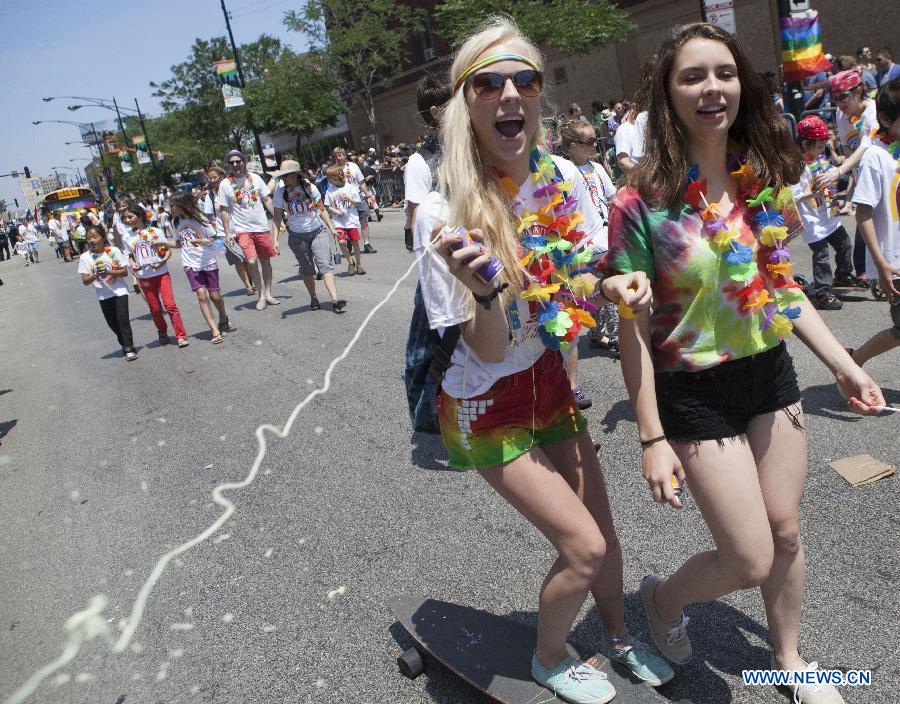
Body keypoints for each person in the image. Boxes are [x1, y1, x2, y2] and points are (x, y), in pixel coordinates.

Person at [604, 23, 884, 704]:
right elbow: (633, 330)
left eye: (724, 73)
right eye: (692, 76)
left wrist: (843, 362)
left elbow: (782, 287)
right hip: (695, 392)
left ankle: (789, 660)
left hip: (770, 374)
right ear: (667, 94)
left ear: (742, 84)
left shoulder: (758, 179)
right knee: (748, 556)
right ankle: (664, 604)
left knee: (784, 535)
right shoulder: (639, 202)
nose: (712, 89)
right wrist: (650, 438)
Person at [417, 17, 674, 704]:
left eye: (524, 79)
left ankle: (620, 637)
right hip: (484, 400)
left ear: (538, 95)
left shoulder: (560, 174)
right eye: (488, 82)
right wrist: (486, 291)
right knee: (583, 548)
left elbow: (586, 267)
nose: (510, 94)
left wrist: (616, 280)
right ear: (466, 103)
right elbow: (489, 346)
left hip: (552, 382)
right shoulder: (444, 211)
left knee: (605, 532)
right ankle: (550, 656)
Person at [557, 118, 619, 409]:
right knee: (591, 294)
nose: (595, 146)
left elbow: (611, 196)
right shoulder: (564, 171)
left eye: (596, 140)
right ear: (572, 146)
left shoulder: (596, 169)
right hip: (582, 243)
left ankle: (604, 331)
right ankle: (600, 331)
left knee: (605, 288)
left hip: (604, 235)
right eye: (590, 142)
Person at [849, 79, 900, 366]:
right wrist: (880, 264)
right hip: (894, 261)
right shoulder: (876, 157)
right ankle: (854, 363)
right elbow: (863, 212)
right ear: (885, 119)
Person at [816, 70, 879, 280]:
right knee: (864, 215)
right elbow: (848, 148)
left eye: (843, 96)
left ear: (858, 91)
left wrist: (839, 171)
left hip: (885, 173)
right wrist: (853, 175)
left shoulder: (873, 110)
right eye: (834, 98)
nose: (839, 102)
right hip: (863, 173)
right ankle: (862, 270)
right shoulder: (841, 115)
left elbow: (865, 146)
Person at [791, 115, 856, 310]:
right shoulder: (796, 166)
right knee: (821, 256)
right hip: (812, 219)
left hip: (829, 213)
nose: (822, 149)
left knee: (845, 244)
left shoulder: (819, 157)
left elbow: (828, 174)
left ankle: (844, 274)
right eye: (819, 146)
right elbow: (794, 196)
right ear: (804, 143)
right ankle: (821, 291)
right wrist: (814, 192)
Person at [271, 159, 347, 313]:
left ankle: (335, 300)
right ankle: (313, 298)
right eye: (282, 176)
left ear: (296, 175)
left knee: (325, 265)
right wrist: (275, 240)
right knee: (307, 270)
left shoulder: (309, 188)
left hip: (317, 231)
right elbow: (277, 218)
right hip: (297, 236)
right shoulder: (281, 192)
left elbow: (321, 209)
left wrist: (332, 228)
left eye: (286, 175)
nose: (284, 179)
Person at [167, 192, 237, 344]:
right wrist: (163, 244)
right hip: (190, 264)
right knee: (201, 295)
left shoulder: (200, 218)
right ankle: (214, 330)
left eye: (172, 205)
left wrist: (203, 241)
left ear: (182, 205)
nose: (170, 208)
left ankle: (223, 317)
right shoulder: (175, 221)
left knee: (215, 296)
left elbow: (214, 237)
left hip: (207, 260)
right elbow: (179, 243)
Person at [217, 150, 281, 311]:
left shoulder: (255, 178)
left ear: (244, 162)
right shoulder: (225, 184)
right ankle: (260, 294)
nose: (235, 165)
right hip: (242, 230)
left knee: (265, 261)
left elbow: (266, 199)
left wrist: (279, 220)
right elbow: (224, 210)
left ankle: (268, 294)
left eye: (238, 161)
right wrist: (227, 233)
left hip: (261, 227)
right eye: (231, 162)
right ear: (228, 165)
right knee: (251, 261)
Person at [120, 201, 190, 348]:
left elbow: (167, 251)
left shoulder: (155, 232)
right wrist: (133, 264)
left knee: (170, 305)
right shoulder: (127, 237)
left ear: (139, 216)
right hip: (144, 277)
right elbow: (129, 256)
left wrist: (161, 262)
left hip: (162, 274)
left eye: (130, 217)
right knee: (156, 309)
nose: (128, 220)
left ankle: (181, 335)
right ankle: (162, 332)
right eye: (126, 218)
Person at [405, 73, 452, 252]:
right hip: (448, 265)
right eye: (456, 104)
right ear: (436, 113)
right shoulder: (420, 163)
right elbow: (420, 234)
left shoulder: (481, 148)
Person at [77, 224, 137, 361]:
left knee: (123, 320)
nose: (91, 240)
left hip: (120, 291)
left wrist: (109, 271)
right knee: (112, 323)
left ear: (103, 238)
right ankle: (124, 342)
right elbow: (85, 281)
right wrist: (95, 275)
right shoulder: (85, 257)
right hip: (103, 294)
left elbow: (124, 272)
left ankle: (128, 348)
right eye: (88, 238)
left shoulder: (113, 251)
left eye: (95, 237)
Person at [203, 165, 255, 296]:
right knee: (238, 260)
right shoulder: (210, 196)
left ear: (222, 176)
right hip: (224, 233)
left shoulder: (233, 188)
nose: (212, 180)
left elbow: (245, 204)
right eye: (210, 178)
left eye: (214, 177)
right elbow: (210, 216)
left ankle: (252, 281)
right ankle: (248, 285)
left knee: (248, 258)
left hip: (241, 228)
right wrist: (215, 233)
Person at [332, 147, 378, 253]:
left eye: (340, 155)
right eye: (336, 156)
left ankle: (367, 244)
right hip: (343, 201)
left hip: (357, 197)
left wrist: (368, 195)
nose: (339, 158)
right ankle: (349, 240)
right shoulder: (334, 169)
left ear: (344, 155)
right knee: (347, 223)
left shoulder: (353, 166)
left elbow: (361, 182)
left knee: (364, 221)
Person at [324, 165, 366, 276]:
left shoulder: (350, 187)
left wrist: (350, 199)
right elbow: (327, 206)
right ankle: (350, 262)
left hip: (351, 220)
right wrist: (335, 211)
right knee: (342, 242)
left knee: (355, 243)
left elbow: (358, 203)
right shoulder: (330, 190)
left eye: (329, 177)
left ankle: (359, 264)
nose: (328, 180)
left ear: (336, 177)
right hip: (339, 222)